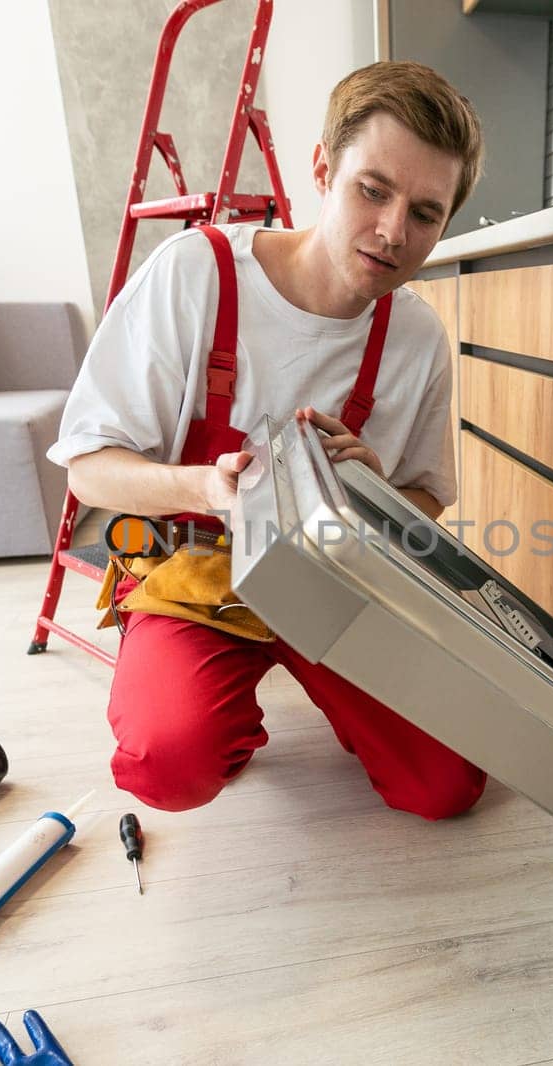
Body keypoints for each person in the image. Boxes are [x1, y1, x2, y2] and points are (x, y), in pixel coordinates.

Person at [50, 61, 486, 820]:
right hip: (193, 575)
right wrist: (199, 488)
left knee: (445, 787)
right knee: (168, 764)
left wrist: (376, 494)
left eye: (425, 212)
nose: (392, 232)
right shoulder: (198, 275)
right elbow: (90, 469)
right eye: (372, 190)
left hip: (339, 588)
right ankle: (220, 705)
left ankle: (314, 679)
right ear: (323, 167)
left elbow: (424, 500)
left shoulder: (416, 336)